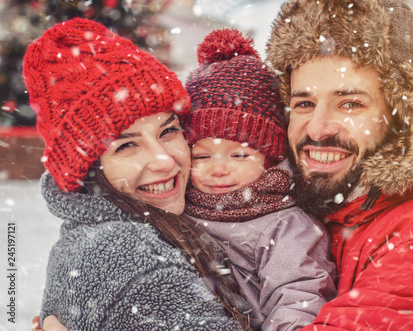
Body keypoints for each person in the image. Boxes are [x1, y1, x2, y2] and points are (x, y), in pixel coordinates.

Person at [266, 0, 413, 329]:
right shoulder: (329, 201)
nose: (318, 128)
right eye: (304, 103)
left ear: (402, 117)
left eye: (349, 103)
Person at [24, 17, 250, 330]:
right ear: (88, 171)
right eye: (126, 146)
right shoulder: (127, 254)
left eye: (168, 131)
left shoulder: (97, 237)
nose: (163, 161)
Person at [182, 28, 336, 330]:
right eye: (201, 156)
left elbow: (298, 293)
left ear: (269, 159)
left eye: (238, 156)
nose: (218, 169)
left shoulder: (284, 223)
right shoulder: (179, 205)